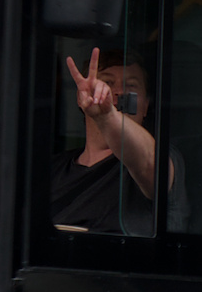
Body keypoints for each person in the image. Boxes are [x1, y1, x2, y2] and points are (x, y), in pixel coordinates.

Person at [49, 51, 160, 235]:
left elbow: (151, 162)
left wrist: (108, 115)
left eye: (131, 85)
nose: (119, 92)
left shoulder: (160, 159)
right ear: (81, 98)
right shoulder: (52, 169)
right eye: (107, 83)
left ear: (146, 106)